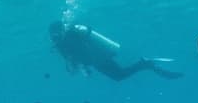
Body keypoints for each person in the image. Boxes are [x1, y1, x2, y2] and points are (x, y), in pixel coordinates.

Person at [50, 21, 182, 81]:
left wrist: (84, 65)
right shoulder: (61, 44)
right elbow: (73, 59)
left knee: (119, 76)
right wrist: (84, 67)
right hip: (97, 61)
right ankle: (145, 64)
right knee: (119, 76)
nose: (54, 36)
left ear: (62, 29)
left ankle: (145, 63)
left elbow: (78, 54)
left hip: (100, 59)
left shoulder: (71, 36)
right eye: (53, 35)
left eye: (56, 33)